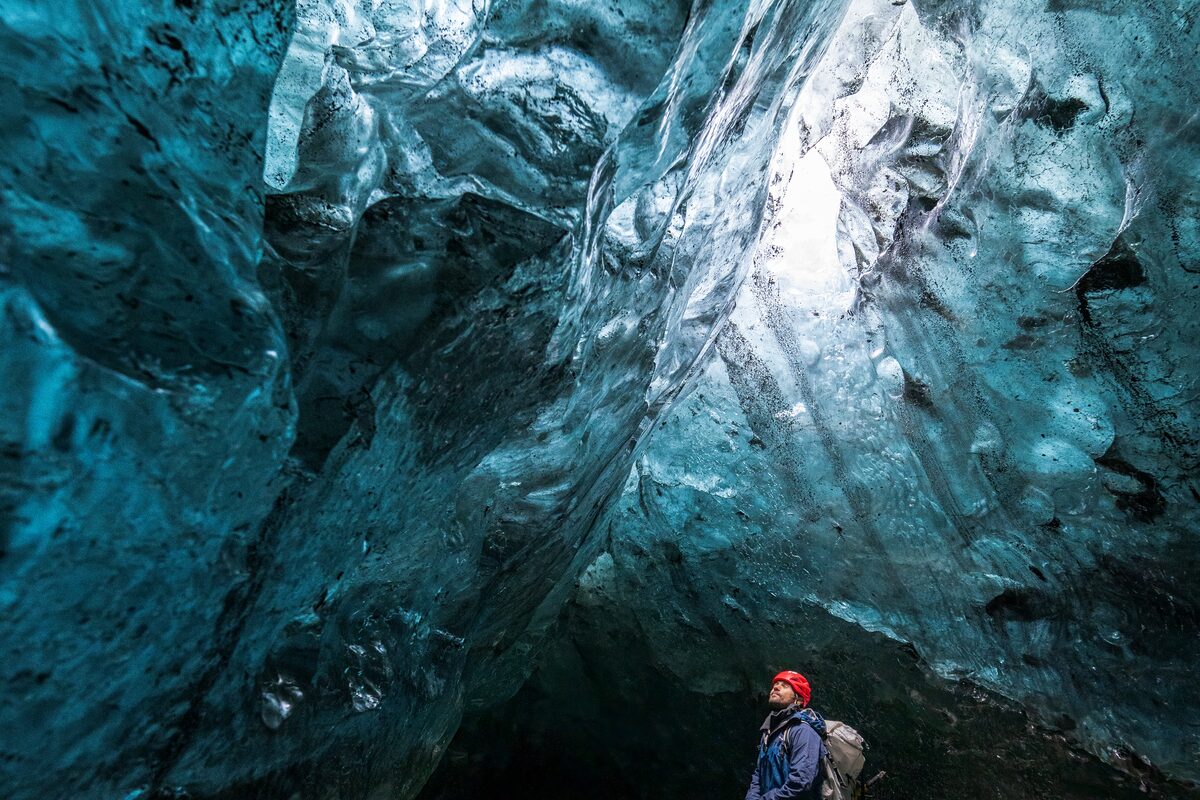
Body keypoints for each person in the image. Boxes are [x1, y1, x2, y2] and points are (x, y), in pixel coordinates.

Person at [745, 671, 827, 800]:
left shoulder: (802, 731)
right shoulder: (769, 733)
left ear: (799, 700)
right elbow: (759, 774)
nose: (776, 687)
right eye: (775, 684)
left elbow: (801, 782)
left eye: (785, 686)